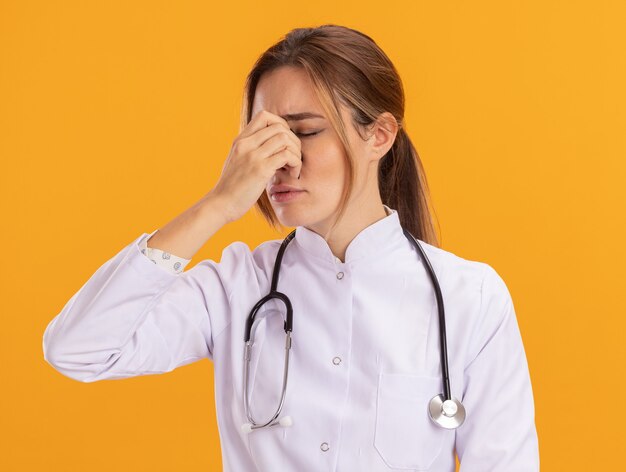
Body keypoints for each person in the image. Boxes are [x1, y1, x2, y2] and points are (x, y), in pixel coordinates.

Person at [42, 24, 539, 471]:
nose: (280, 160)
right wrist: (216, 205)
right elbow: (78, 349)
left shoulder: (469, 298)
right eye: (263, 139)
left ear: (380, 135)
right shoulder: (236, 287)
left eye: (304, 132)